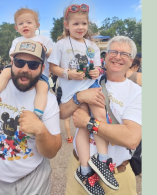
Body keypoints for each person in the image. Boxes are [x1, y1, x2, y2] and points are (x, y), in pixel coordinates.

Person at [48, 4, 116, 195]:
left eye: (84, 23)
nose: (80, 27)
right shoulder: (61, 44)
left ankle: (103, 160)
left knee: (100, 116)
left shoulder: (92, 46)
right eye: (76, 23)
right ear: (66, 25)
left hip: (91, 87)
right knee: (83, 128)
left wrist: (96, 71)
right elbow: (52, 67)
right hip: (72, 94)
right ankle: (85, 171)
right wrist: (67, 73)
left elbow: (97, 69)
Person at [61, 36, 142, 195]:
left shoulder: (137, 93)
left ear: (131, 61)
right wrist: (79, 97)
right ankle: (85, 172)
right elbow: (63, 112)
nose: (118, 57)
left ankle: (102, 161)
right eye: (113, 52)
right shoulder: (87, 80)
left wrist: (87, 122)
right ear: (105, 57)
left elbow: (132, 139)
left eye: (124, 54)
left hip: (117, 175)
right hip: (79, 168)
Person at [0, 39, 62, 195]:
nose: (25, 69)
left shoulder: (48, 101)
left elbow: (52, 151)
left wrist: (40, 130)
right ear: (11, 63)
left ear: (42, 68)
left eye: (32, 65)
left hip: (33, 182)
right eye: (19, 62)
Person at [0, 8, 53, 121]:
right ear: (16, 28)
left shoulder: (44, 39)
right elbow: (12, 55)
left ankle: (37, 114)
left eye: (29, 22)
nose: (25, 25)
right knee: (6, 72)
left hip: (39, 73)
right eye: (21, 23)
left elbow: (53, 55)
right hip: (19, 69)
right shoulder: (17, 41)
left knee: (43, 87)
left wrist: (44, 49)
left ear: (37, 25)